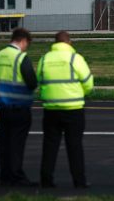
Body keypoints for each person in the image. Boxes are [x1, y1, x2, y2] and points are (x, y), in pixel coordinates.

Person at [37, 31, 93, 188]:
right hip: (73, 108)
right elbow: (88, 83)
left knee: (49, 145)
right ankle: (79, 181)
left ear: (55, 43)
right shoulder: (76, 58)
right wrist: (78, 93)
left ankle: (46, 180)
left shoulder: (45, 59)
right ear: (69, 42)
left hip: (51, 109)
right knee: (74, 146)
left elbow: (39, 81)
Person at [0, 28, 37, 187]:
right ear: (23, 41)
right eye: (27, 45)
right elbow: (32, 82)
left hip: (1, 107)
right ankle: (16, 176)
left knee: (4, 144)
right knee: (17, 144)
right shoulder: (21, 57)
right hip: (19, 108)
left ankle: (5, 175)